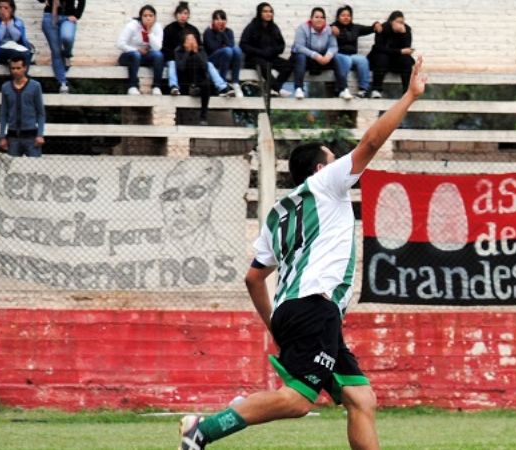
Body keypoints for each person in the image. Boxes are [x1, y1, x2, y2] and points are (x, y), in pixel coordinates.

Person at [178, 57, 427, 450]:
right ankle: (203, 430)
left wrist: (275, 324)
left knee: (361, 398)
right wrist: (410, 96)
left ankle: (215, 423)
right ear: (318, 169)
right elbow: (372, 142)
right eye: (332, 159)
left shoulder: (278, 216)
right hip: (315, 306)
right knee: (296, 400)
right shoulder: (326, 185)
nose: (342, 166)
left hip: (299, 310)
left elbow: (253, 277)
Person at [161, 2, 234, 98]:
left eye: (185, 13)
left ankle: (222, 87)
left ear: (188, 15)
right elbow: (165, 48)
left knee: (209, 64)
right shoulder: (169, 29)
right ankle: (174, 86)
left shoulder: (193, 29)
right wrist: (179, 55)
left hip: (193, 58)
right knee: (172, 63)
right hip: (176, 58)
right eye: (180, 13)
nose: (183, 16)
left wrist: (194, 51)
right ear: (176, 15)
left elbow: (200, 47)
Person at [239, 2, 293, 98]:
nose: (269, 14)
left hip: (270, 56)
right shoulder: (252, 27)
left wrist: (272, 51)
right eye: (265, 11)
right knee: (263, 65)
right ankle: (277, 89)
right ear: (259, 13)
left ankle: (273, 88)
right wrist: (259, 52)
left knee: (288, 65)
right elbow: (243, 45)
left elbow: (282, 45)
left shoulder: (274, 27)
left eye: (270, 11)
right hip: (254, 58)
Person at [0, 57, 45, 157]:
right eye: (13, 68)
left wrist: (40, 135)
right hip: (13, 137)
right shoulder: (6, 87)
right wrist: (2, 136)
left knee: (34, 169)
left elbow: (40, 113)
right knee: (12, 168)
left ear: (25, 68)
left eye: (18, 68)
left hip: (31, 136)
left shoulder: (35, 86)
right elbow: (3, 114)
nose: (15, 71)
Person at [331, 5, 380, 99]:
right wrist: (331, 28)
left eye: (348, 15)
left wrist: (376, 24)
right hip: (339, 55)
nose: (346, 17)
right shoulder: (334, 27)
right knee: (346, 60)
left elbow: (370, 29)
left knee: (363, 60)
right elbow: (323, 29)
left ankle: (363, 90)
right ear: (338, 17)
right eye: (343, 15)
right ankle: (340, 89)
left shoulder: (355, 28)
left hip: (353, 56)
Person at [38, 0, 85, 94]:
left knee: (67, 37)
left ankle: (67, 55)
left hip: (68, 16)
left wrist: (76, 15)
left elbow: (82, 1)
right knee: (56, 51)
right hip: (49, 16)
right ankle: (63, 83)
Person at [116, 4, 164, 95]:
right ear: (141, 17)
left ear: (155, 17)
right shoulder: (132, 25)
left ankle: (157, 87)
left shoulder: (157, 27)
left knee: (158, 55)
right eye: (145, 16)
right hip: (129, 56)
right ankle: (132, 86)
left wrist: (149, 33)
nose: (148, 18)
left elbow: (158, 48)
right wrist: (136, 50)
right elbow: (120, 44)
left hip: (146, 57)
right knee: (136, 55)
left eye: (151, 16)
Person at [367, 11, 415, 98]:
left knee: (406, 59)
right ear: (391, 21)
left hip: (395, 61)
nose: (400, 24)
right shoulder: (382, 28)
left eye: (402, 22)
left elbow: (407, 49)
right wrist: (399, 51)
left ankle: (406, 91)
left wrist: (403, 34)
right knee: (382, 57)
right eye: (398, 22)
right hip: (380, 60)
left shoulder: (406, 29)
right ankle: (376, 89)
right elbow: (379, 48)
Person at [203, 9, 243, 97]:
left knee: (237, 50)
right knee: (227, 50)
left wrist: (222, 33)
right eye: (217, 19)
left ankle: (235, 83)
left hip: (228, 58)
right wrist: (222, 41)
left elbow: (231, 45)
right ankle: (222, 81)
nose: (220, 22)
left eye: (222, 19)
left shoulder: (229, 31)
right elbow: (212, 48)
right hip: (212, 59)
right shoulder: (208, 32)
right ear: (213, 21)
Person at [0, 0, 32, 67]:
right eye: (0, 7)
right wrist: (3, 22)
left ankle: (22, 75)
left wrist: (9, 22)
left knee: (26, 54)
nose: (2, 10)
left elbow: (16, 38)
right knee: (15, 54)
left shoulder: (18, 22)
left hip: (14, 47)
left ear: (11, 9)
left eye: (6, 8)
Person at [175, 32, 211, 125]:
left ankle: (203, 116)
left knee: (206, 84)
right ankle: (192, 86)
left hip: (199, 81)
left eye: (193, 39)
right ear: (184, 43)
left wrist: (196, 52)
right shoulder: (179, 51)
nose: (191, 42)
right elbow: (181, 68)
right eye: (188, 40)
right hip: (185, 82)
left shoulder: (201, 50)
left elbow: (205, 67)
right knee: (192, 60)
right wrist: (187, 52)